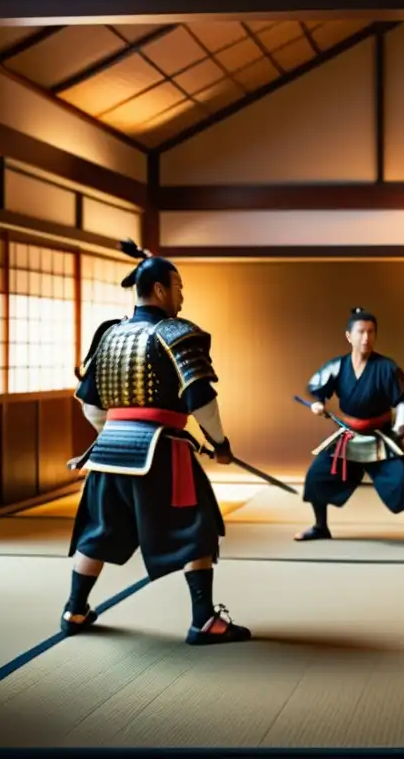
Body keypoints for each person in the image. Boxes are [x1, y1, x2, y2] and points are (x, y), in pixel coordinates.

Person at [63, 240, 251, 646]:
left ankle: (75, 608)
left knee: (100, 528)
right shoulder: (177, 333)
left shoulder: (109, 336)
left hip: (109, 453)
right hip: (162, 455)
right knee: (197, 527)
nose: (182, 296)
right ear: (162, 290)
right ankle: (205, 621)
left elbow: (89, 403)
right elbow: (202, 399)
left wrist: (113, 434)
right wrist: (219, 443)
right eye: (179, 287)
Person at [295, 307, 404, 551]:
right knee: (317, 475)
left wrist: (403, 432)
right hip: (348, 435)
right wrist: (318, 403)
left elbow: (403, 399)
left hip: (380, 435)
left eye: (371, 332)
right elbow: (318, 389)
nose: (366, 337)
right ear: (349, 336)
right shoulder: (337, 366)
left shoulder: (387, 368)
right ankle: (320, 526)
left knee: (402, 479)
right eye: (360, 332)